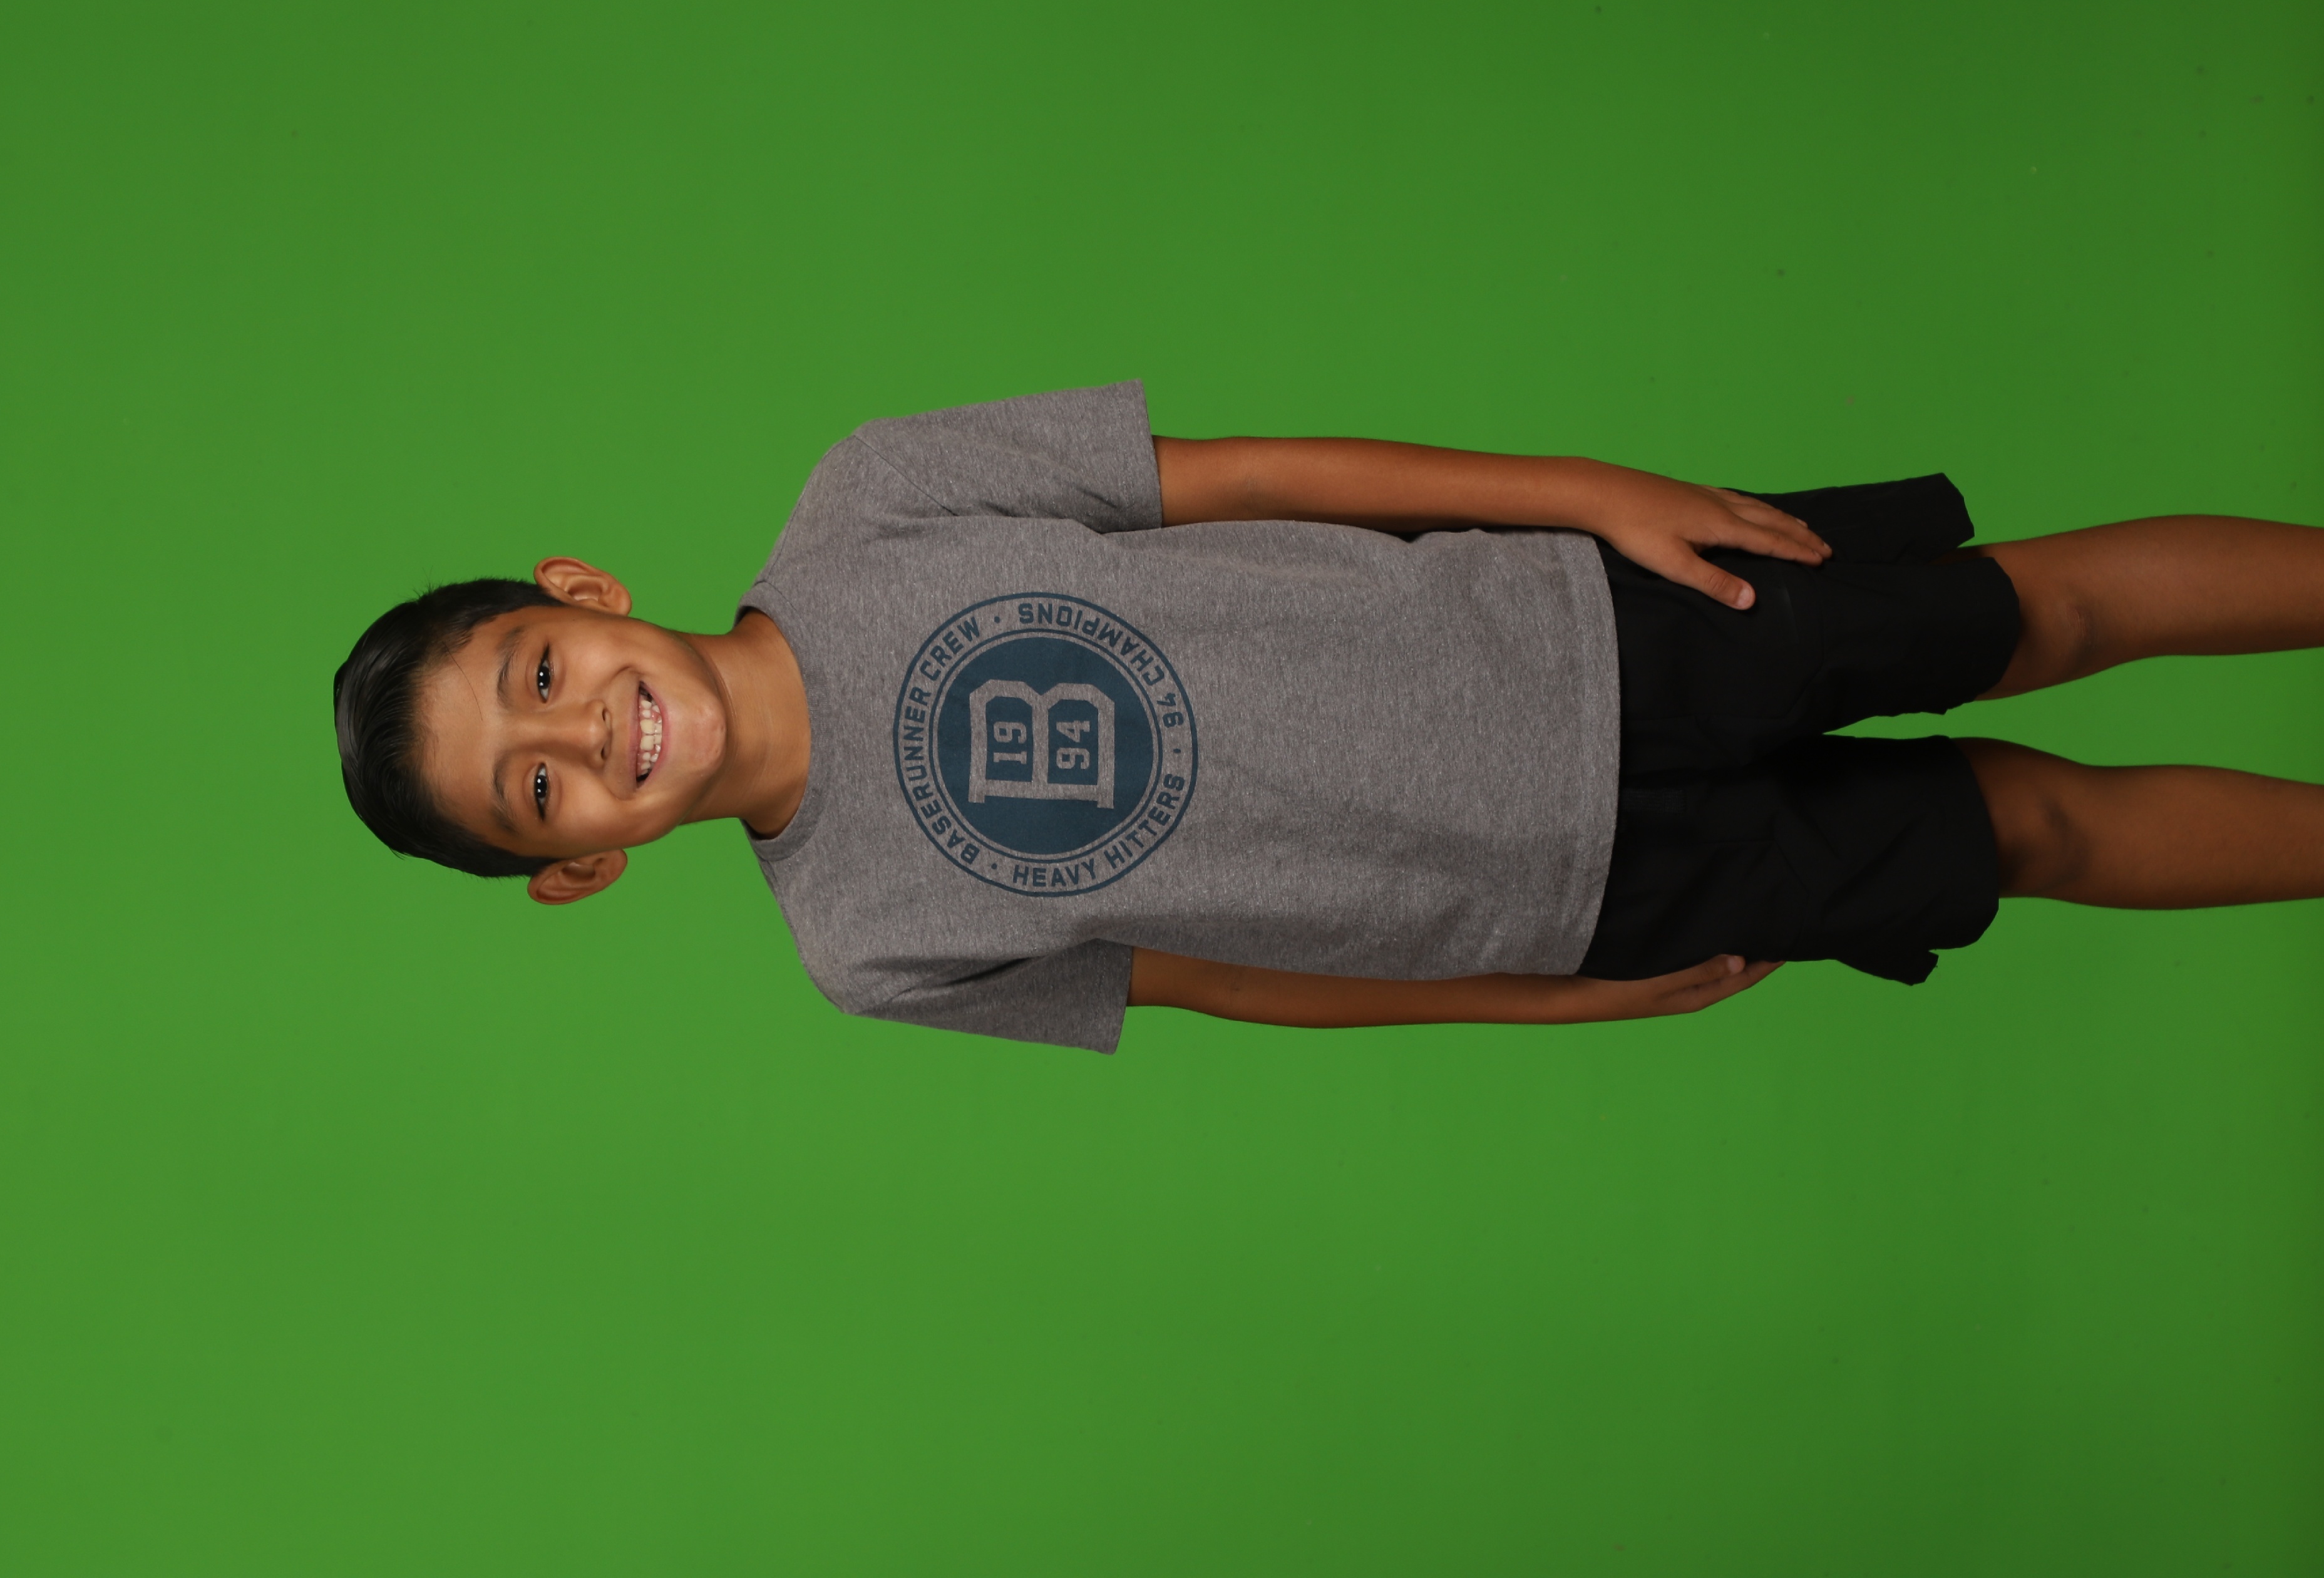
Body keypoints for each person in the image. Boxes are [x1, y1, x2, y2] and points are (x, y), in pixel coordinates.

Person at [331, 383, 2324, 1051]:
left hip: (1581, 628)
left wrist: (1590, 496)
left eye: (539, 679)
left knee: (2038, 610)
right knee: (2030, 834)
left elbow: (1254, 471)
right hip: (1565, 891)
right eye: (537, 794)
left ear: (579, 595)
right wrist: (1534, 1004)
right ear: (577, 870)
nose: (587, 737)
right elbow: (1213, 979)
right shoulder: (865, 949)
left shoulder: (875, 496)